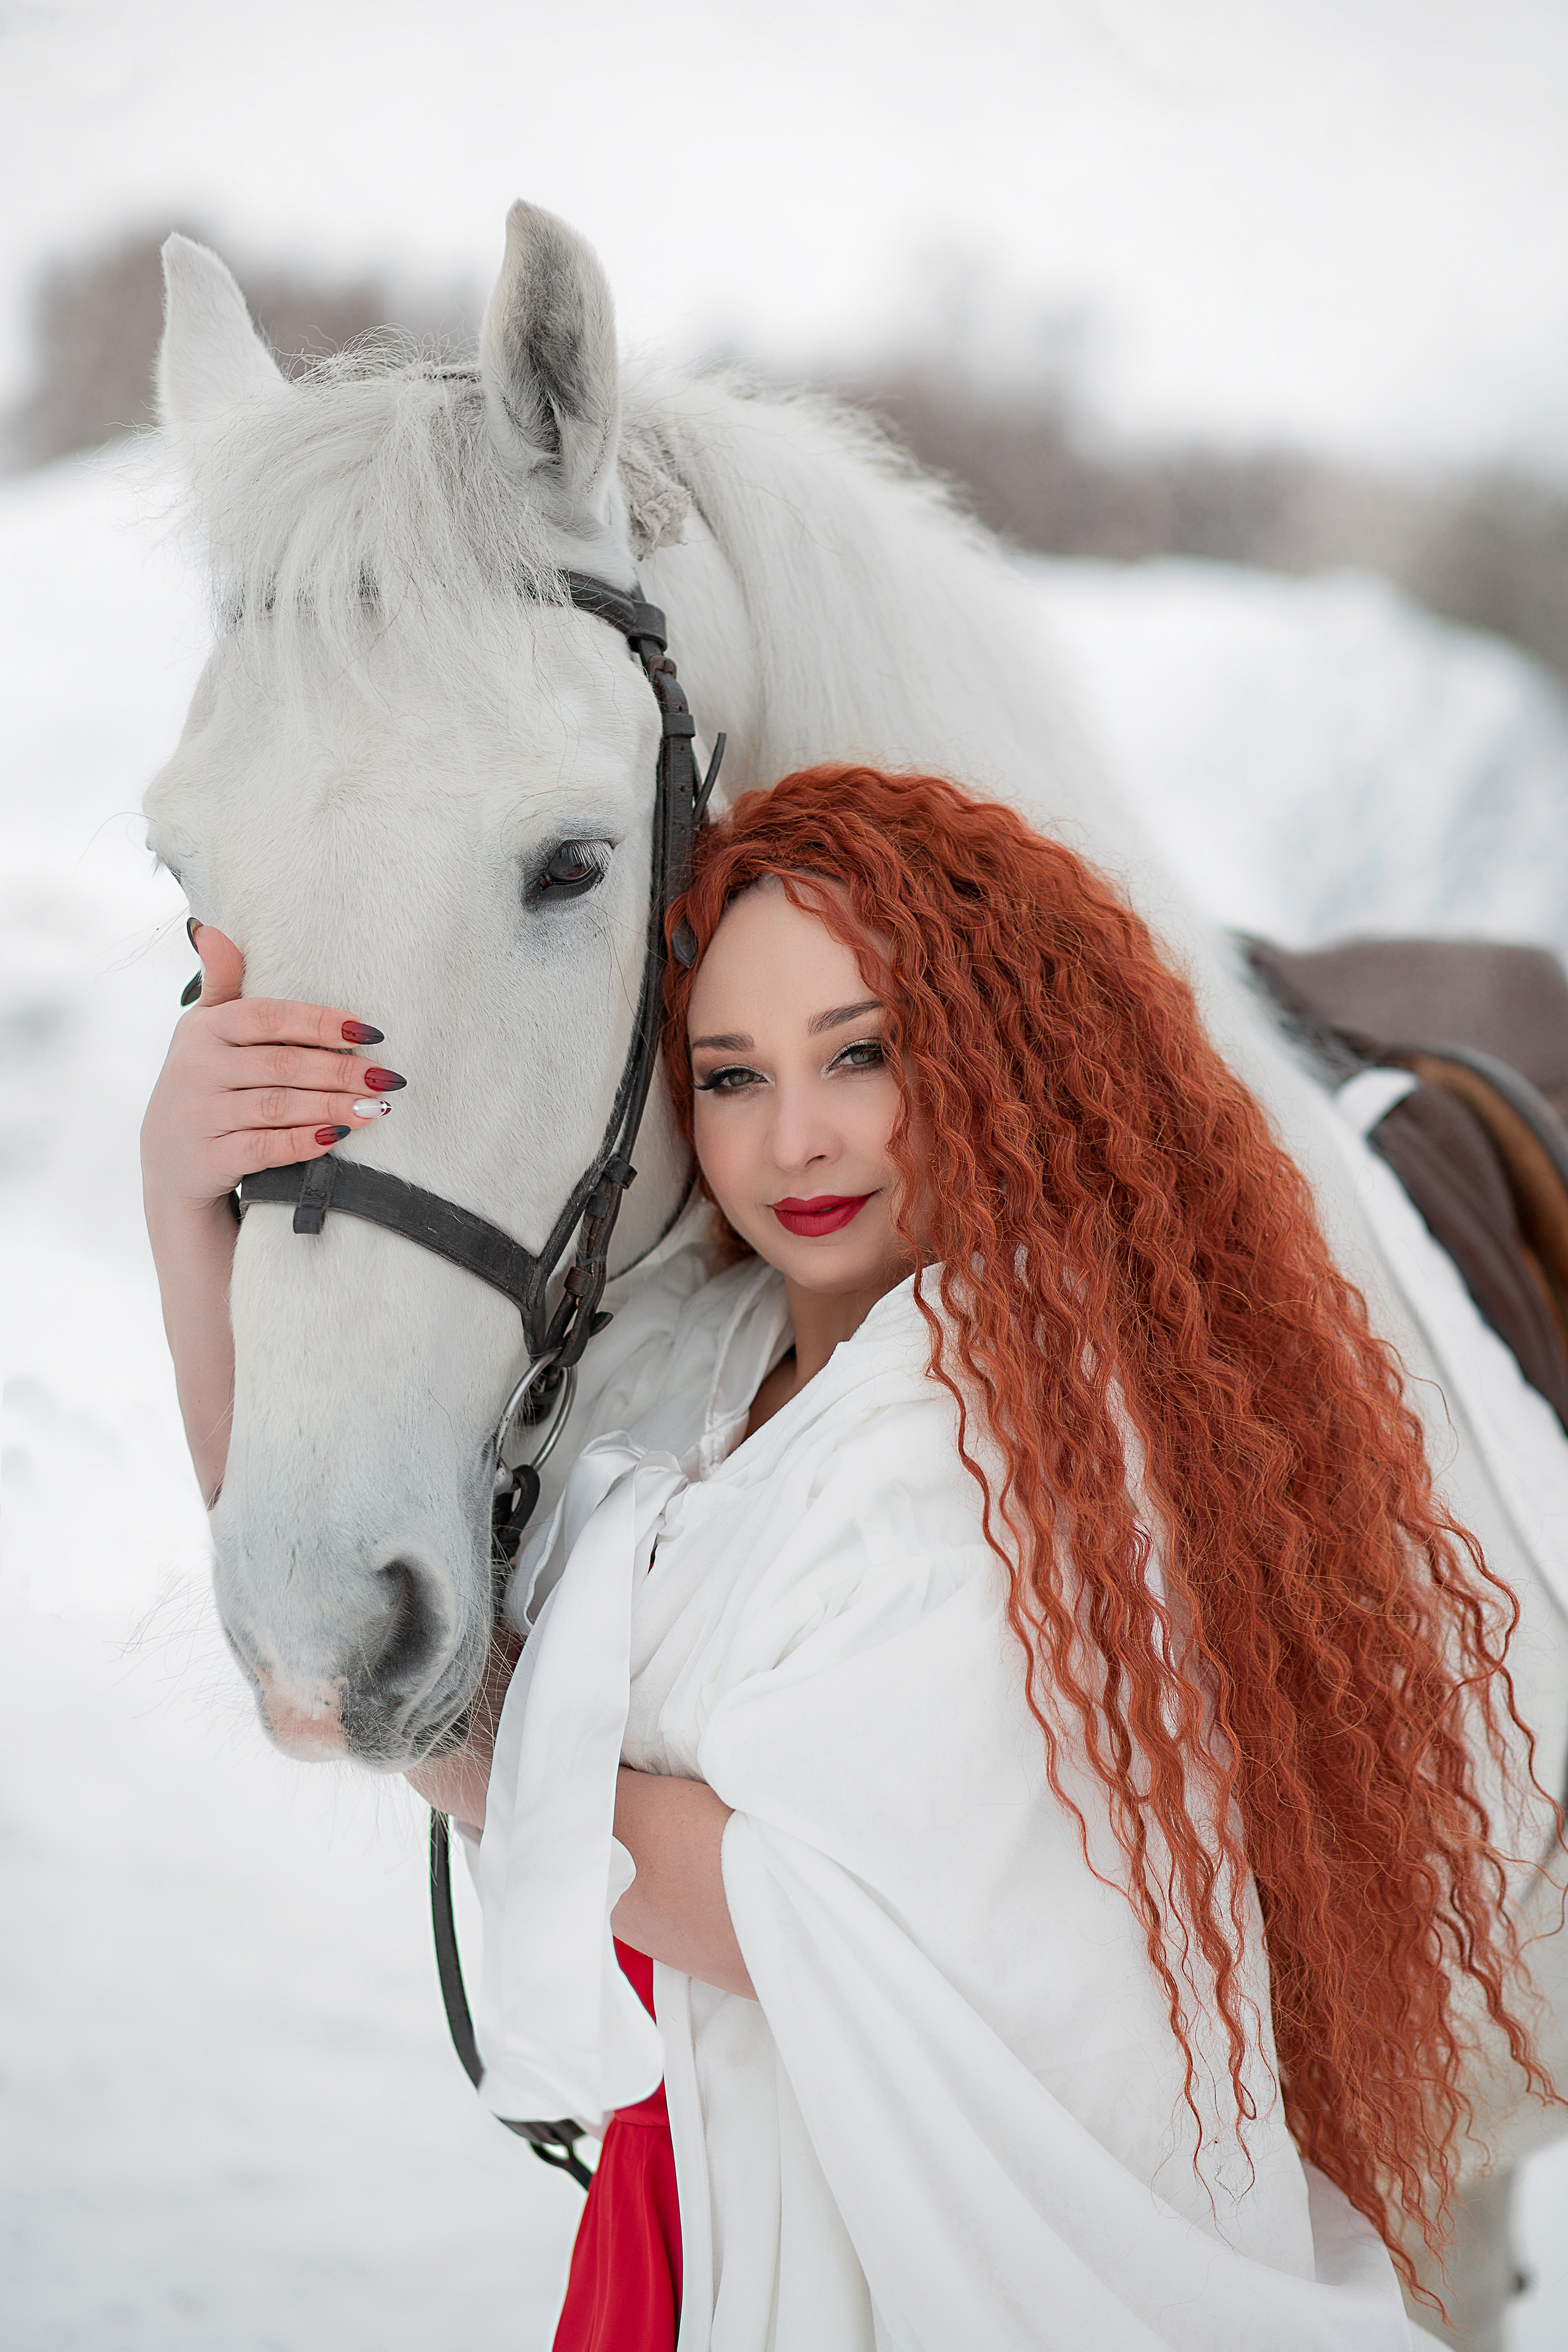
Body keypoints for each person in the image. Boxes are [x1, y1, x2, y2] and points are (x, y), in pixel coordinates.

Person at [145, 766, 1546, 2351]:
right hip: (691, 2209)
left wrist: (459, 1738)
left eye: (859, 1056)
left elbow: (784, 1908)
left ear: (986, 1055)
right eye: (732, 1075)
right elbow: (327, 1588)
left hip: (885, 2252)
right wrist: (187, 1203)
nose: (794, 1138)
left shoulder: (1010, 1437)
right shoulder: (703, 1357)